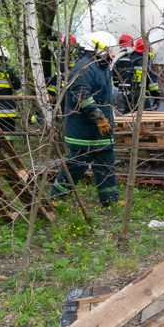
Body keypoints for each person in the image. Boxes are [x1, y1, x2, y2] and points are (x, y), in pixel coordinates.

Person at [50, 31, 119, 207]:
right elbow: (81, 95)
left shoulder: (102, 68)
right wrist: (99, 118)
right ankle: (56, 199)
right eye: (110, 50)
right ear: (98, 49)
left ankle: (110, 201)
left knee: (106, 166)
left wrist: (108, 118)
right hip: (83, 130)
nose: (112, 54)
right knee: (76, 165)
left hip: (100, 131)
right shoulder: (84, 68)